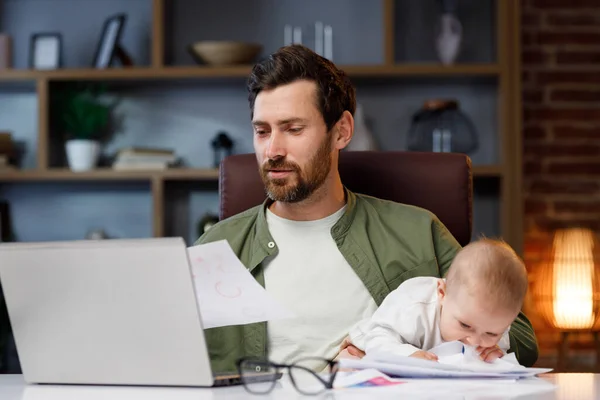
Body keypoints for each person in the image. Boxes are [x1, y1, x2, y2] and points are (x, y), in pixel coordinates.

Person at [194, 44, 538, 373]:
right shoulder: (215, 248)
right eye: (262, 131)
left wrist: (399, 358)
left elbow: (520, 338)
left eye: (293, 129)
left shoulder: (417, 233)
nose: (272, 150)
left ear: (341, 131)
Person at [344, 238, 529, 364]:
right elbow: (378, 338)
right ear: (442, 293)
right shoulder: (415, 306)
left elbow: (497, 355)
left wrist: (496, 355)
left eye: (491, 334)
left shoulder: (495, 324)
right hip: (366, 348)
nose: (474, 340)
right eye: (465, 325)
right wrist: (408, 355)